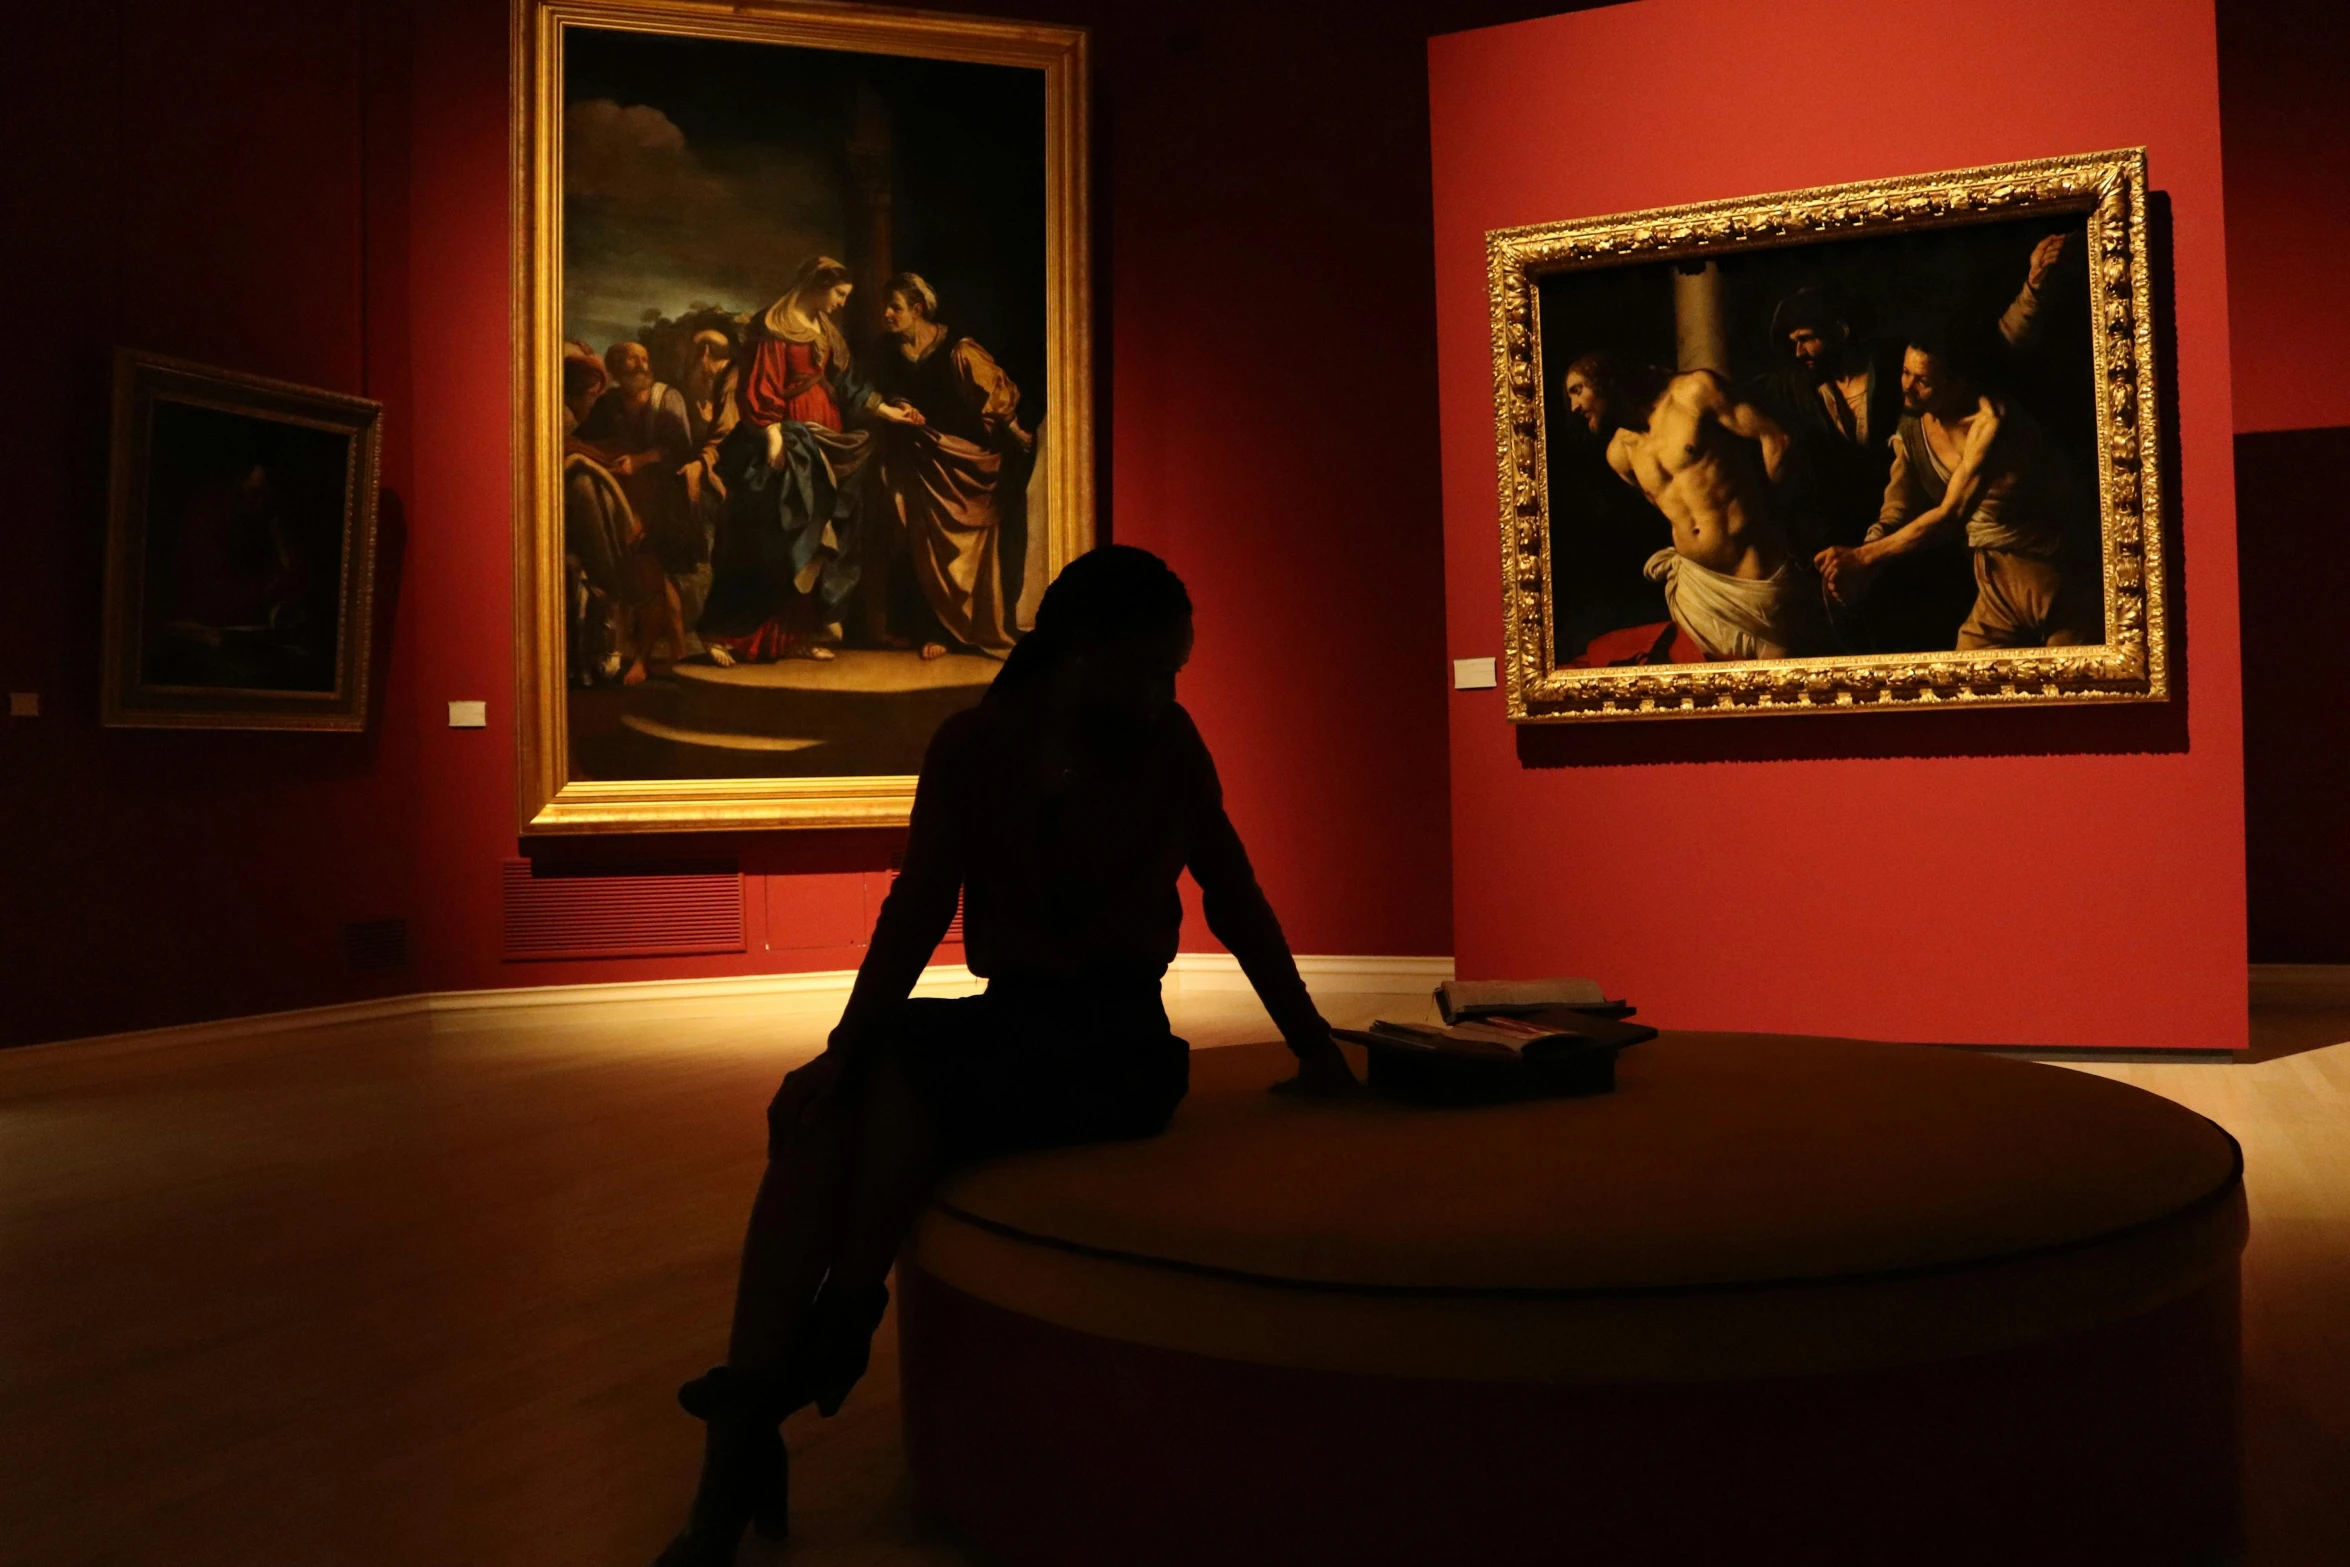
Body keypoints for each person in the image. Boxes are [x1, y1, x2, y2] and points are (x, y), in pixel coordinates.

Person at [652, 545, 1359, 1566]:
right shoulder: (975, 747)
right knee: (831, 1105)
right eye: (1153, 665)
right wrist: (837, 1053)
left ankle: (762, 1414)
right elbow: (917, 910)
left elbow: (1235, 898)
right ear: (1080, 655)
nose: (1167, 689)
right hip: (1020, 1021)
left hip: (1118, 1051)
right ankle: (767, 1404)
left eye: (1176, 669)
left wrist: (1311, 1044)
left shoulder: (1164, 744)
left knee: (900, 1072)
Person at [1814, 321, 2097, 649]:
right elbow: (1899, 505)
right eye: (1905, 372)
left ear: (1958, 384)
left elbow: (1951, 515)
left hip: (2059, 583)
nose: (1907, 387)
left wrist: (1865, 557)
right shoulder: (1913, 426)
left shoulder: (1993, 423)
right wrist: (1867, 554)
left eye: (1923, 381)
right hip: (1994, 587)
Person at [696, 256, 924, 663]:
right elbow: (759, 387)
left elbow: (848, 383)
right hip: (787, 440)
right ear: (818, 286)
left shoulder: (826, 330)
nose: (841, 303)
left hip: (826, 441)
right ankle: (729, 635)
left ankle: (796, 634)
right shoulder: (773, 328)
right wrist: (770, 435)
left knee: (818, 533)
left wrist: (888, 411)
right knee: (776, 536)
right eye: (838, 294)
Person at [1565, 352, 1827, 661]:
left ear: (1607, 380)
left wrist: (1772, 514)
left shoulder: (1693, 392)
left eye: (1578, 390)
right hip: (1696, 591)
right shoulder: (1619, 455)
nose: (1574, 407)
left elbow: (1777, 439)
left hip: (1756, 580)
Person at [863, 271, 1035, 659]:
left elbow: (993, 395)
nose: (887, 314)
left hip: (965, 460)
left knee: (970, 550)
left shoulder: (958, 349)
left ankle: (969, 630)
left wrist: (1014, 429)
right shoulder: (886, 351)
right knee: (927, 551)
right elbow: (878, 391)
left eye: (895, 307)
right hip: (921, 463)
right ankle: (935, 628)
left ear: (918, 309)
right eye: (885, 307)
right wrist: (898, 404)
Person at [578, 341, 698, 681]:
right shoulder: (609, 404)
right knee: (654, 579)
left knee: (653, 575)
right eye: (634, 361)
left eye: (645, 360)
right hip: (626, 499)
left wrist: (639, 460)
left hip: (663, 502)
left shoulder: (667, 398)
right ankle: (679, 655)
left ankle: (644, 660)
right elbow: (589, 441)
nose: (643, 367)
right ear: (617, 371)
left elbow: (680, 449)